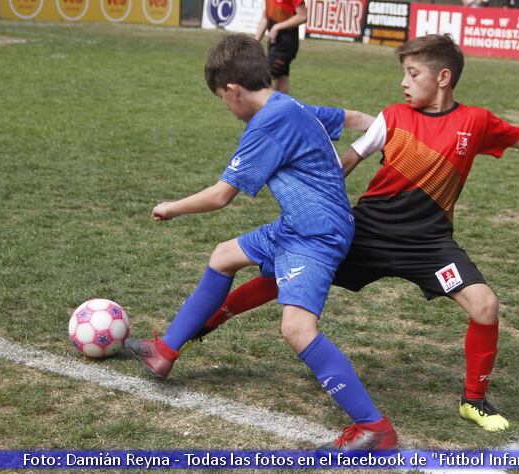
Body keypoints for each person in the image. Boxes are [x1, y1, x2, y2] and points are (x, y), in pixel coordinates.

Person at [173, 35, 519, 433]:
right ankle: (203, 324)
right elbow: (340, 166)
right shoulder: (392, 119)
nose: (404, 83)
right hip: (368, 232)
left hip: (430, 244)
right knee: (282, 273)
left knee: (485, 305)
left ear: (443, 78)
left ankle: (474, 400)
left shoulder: (478, 121)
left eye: (413, 74)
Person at [125, 34, 398, 451]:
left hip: (317, 235)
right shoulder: (290, 106)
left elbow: (221, 196)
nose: (226, 106)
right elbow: (351, 116)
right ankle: (164, 351)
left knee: (297, 329)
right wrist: (386, 126)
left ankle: (374, 428)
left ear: (233, 90)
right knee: (223, 256)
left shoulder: (270, 122)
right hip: (298, 224)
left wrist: (171, 207)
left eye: (222, 98)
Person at [255, 0, 306, 94]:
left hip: (285, 45)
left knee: (261, 79)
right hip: (274, 44)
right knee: (281, 84)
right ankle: (285, 108)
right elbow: (265, 18)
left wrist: (277, 27)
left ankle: (261, 108)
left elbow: (302, 16)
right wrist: (255, 42)